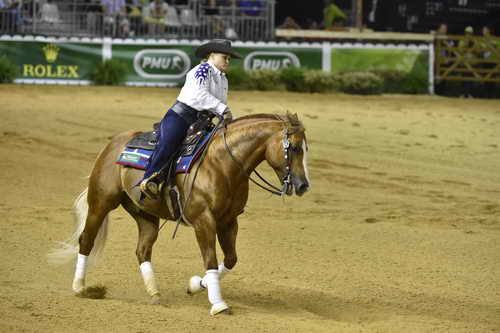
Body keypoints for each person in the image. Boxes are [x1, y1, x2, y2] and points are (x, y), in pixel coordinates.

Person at [140, 39, 242, 199]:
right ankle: (150, 179)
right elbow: (199, 95)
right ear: (212, 55)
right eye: (224, 57)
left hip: (202, 121)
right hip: (181, 116)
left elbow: (219, 105)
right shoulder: (202, 70)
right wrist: (223, 110)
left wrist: (232, 120)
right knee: (169, 143)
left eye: (229, 58)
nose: (227, 61)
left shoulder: (223, 79)